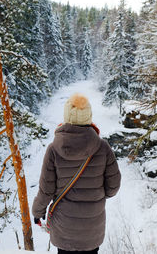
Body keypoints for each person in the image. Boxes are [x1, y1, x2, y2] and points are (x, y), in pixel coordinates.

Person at [32, 93, 121, 254]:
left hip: (64, 227)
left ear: (67, 116)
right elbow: (113, 186)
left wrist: (38, 212)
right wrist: (96, 196)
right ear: (89, 116)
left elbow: (46, 190)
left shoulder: (53, 149)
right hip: (92, 225)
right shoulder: (103, 147)